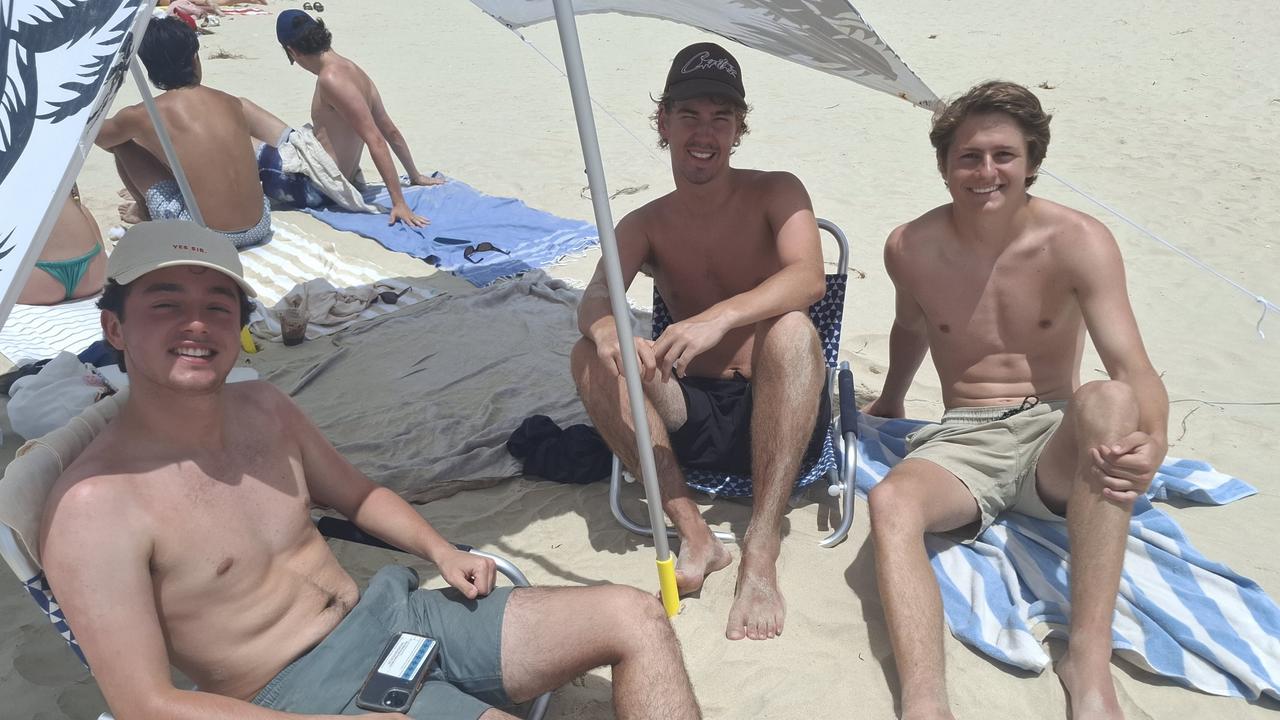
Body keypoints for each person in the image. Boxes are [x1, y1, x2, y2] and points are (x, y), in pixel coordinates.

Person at [37, 219, 702, 720]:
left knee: (635, 616)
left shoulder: (262, 407)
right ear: (115, 329)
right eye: (165, 303)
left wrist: (440, 550)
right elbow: (144, 703)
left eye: (217, 305)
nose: (196, 324)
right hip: (301, 692)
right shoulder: (95, 508)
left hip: (394, 616)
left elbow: (356, 495)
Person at [862, 81, 1169, 720]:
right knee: (891, 501)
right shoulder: (909, 247)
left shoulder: (1077, 240)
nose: (986, 172)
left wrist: (1155, 441)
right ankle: (925, 703)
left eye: (1004, 155)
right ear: (945, 166)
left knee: (1110, 399)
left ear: (1032, 159)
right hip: (964, 436)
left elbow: (1131, 364)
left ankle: (1087, 665)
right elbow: (911, 329)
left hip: (1053, 433)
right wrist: (891, 401)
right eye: (968, 157)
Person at [571, 43, 827, 642]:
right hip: (691, 416)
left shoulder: (776, 191)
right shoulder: (646, 223)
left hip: (779, 411)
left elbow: (808, 277)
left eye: (720, 116)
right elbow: (593, 298)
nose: (704, 132)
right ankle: (696, 535)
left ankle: (761, 549)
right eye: (689, 115)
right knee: (588, 352)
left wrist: (720, 317)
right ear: (663, 123)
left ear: (740, 127)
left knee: (791, 328)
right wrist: (608, 326)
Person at [95, 16, 275, 249]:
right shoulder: (231, 102)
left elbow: (100, 137)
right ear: (194, 58)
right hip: (260, 223)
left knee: (123, 144)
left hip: (208, 234)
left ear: (151, 68)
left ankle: (143, 210)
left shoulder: (144, 113)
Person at [274, 10, 443, 227]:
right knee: (247, 110)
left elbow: (376, 140)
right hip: (337, 178)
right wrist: (414, 175)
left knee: (247, 136)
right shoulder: (354, 71)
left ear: (292, 51)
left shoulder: (330, 79)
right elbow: (389, 130)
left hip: (317, 186)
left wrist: (399, 203)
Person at [17, 185, 106, 305]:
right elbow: (76, 198)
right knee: (80, 208)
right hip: (94, 269)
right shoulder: (55, 166)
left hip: (36, 280)